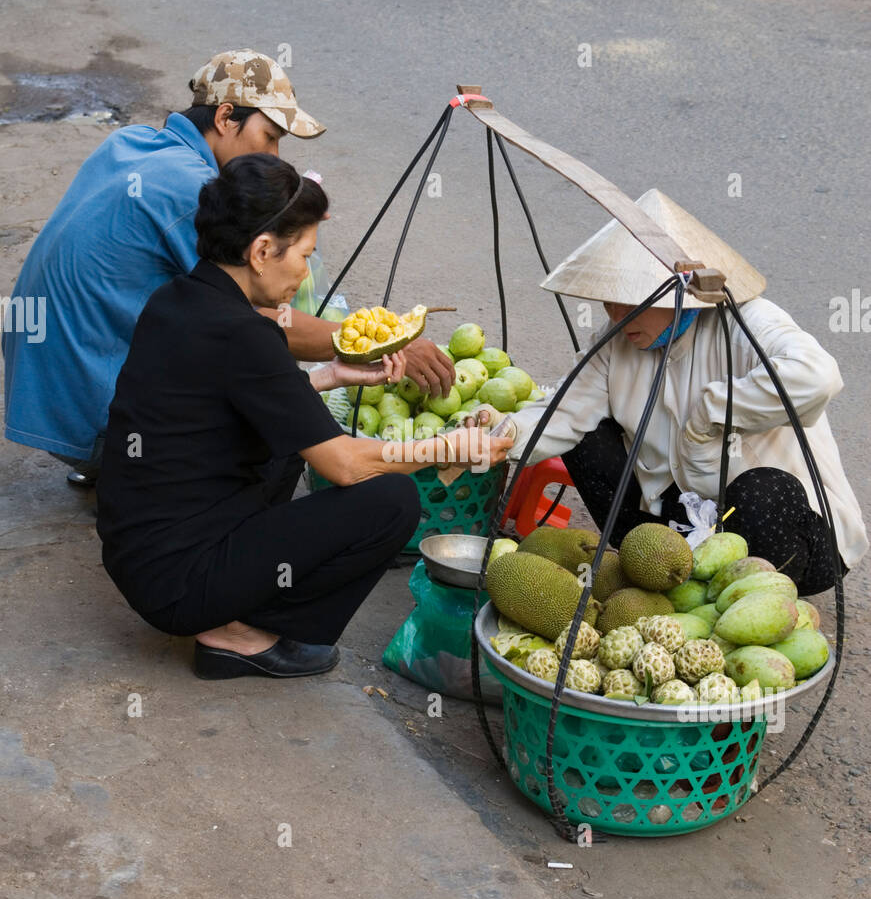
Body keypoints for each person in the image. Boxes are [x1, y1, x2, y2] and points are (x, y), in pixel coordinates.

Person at [96, 155, 511, 680]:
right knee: (389, 500)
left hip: (141, 557)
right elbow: (342, 467)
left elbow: (216, 405)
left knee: (292, 437)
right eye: (305, 255)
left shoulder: (178, 299)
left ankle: (233, 612)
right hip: (180, 583)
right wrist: (450, 450)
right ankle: (239, 636)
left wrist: (326, 377)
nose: (307, 272)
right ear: (263, 250)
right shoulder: (246, 335)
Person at [3, 49, 454, 487]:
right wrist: (385, 341)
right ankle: (133, 473)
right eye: (270, 137)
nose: (274, 156)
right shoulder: (194, 192)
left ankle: (105, 462)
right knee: (274, 425)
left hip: (46, 402)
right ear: (224, 119)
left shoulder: (130, 143)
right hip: (100, 427)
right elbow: (246, 321)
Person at [472, 189, 867, 596]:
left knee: (763, 492)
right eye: (611, 302)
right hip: (681, 527)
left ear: (678, 291)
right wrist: (496, 434)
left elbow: (818, 377)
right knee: (584, 435)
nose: (617, 317)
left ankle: (751, 595)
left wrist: (712, 411)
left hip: (788, 533)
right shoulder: (615, 342)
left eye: (632, 304)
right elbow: (562, 412)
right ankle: (656, 571)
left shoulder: (747, 322)